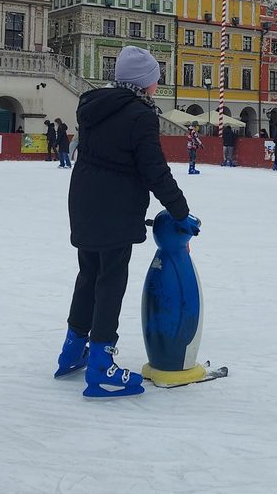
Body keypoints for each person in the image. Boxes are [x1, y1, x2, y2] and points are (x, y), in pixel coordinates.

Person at [56, 45, 193, 398]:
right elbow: (154, 171)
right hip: (114, 206)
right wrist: (181, 212)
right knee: (111, 280)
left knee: (88, 274)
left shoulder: (93, 106)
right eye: (154, 79)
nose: (157, 85)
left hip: (84, 199)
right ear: (144, 83)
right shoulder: (140, 115)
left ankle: (73, 350)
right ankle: (101, 366)